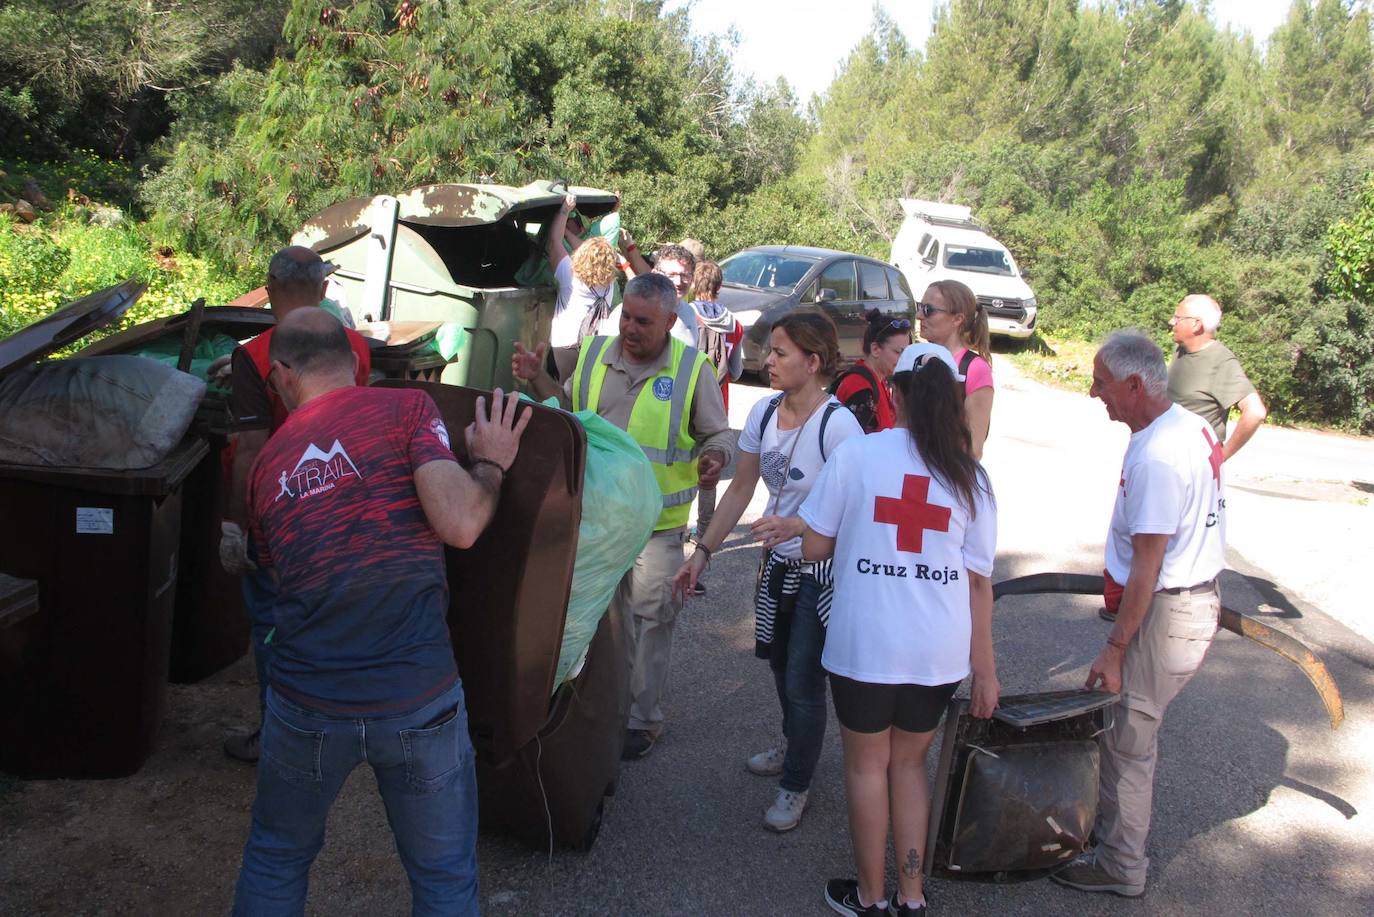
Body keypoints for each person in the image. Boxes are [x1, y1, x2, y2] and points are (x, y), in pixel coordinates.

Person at [232, 308, 531, 915]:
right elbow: (464, 523)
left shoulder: (265, 469)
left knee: (277, 855)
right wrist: (492, 461)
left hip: (305, 704)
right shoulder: (406, 410)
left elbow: (276, 571)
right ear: (353, 361)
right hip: (416, 698)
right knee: (444, 877)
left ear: (283, 374)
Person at [799, 341, 999, 917]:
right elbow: (978, 583)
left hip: (866, 643)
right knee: (910, 765)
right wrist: (985, 670)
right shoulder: (972, 477)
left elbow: (814, 546)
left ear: (894, 393)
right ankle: (912, 897)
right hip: (937, 652)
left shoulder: (860, 456)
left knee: (866, 766)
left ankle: (870, 897)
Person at [511, 273, 734, 760]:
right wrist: (536, 377)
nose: (630, 329)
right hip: (593, 521)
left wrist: (714, 458)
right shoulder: (593, 354)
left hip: (657, 528)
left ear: (671, 322)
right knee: (580, 615)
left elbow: (719, 435)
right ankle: (580, 707)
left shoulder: (693, 370)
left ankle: (640, 721)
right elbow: (566, 409)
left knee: (650, 619)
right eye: (626, 317)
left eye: (643, 321)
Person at [1051, 329, 1226, 899]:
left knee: (1128, 741)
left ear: (1133, 384)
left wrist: (1116, 648)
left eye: (1101, 383)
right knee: (1122, 730)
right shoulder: (1182, 426)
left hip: (1167, 612)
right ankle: (1106, 837)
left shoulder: (1158, 455)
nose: (1094, 391)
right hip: (1180, 604)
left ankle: (1122, 866)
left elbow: (1149, 565)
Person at [672, 313, 862, 832]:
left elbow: (856, 509)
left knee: (803, 678)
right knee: (780, 666)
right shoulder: (763, 411)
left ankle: (797, 783)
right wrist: (703, 553)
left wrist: (797, 523)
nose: (768, 361)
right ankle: (794, 741)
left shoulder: (839, 425)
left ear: (813, 362)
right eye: (770, 351)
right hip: (776, 566)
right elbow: (739, 489)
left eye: (780, 353)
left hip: (819, 574)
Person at [219, 245, 373, 764]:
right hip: (339, 504)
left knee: (273, 627)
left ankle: (280, 736)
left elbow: (250, 450)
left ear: (267, 286)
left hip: (278, 518)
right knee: (332, 619)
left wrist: (234, 526)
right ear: (324, 289)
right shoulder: (354, 348)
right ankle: (341, 724)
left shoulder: (255, 356)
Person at [685, 260, 744, 597]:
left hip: (686, 401)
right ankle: (704, 536)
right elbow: (735, 370)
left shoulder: (686, 315)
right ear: (720, 286)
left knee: (680, 465)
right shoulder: (734, 323)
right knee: (709, 474)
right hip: (717, 404)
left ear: (695, 283)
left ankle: (675, 531)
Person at [1165, 294, 1267, 461]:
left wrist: (1221, 457)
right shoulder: (1181, 348)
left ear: (1196, 324)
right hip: (1167, 455)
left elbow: (1256, 412)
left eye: (1178, 318)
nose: (1171, 322)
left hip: (1191, 462)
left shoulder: (1221, 360)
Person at [916, 280, 993, 459]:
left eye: (928, 310)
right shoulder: (917, 357)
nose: (919, 315)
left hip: (944, 475)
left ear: (957, 319)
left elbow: (974, 449)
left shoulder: (974, 369)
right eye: (919, 307)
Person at [545, 194, 620, 380]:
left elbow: (554, 242)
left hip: (565, 346)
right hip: (595, 347)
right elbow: (591, 251)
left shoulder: (570, 276)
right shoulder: (610, 285)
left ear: (581, 255)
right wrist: (614, 212)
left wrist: (564, 211)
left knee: (562, 396)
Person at [833, 310, 912, 433]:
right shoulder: (860, 389)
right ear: (875, 349)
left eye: (906, 352)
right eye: (898, 352)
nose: (904, 358)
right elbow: (854, 443)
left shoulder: (879, 380)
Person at [612, 239, 700, 347]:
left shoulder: (689, 312)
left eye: (685, 276)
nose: (678, 282)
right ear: (655, 274)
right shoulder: (628, 312)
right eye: (671, 275)